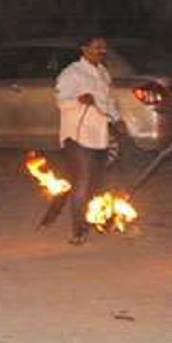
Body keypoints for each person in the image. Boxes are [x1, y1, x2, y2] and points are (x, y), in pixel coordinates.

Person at [53, 35, 127, 245]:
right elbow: (61, 101)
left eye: (104, 48)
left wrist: (117, 119)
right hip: (77, 136)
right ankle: (78, 230)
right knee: (83, 183)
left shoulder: (103, 73)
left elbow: (108, 101)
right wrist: (78, 100)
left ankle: (93, 220)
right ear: (84, 49)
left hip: (99, 135)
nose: (101, 51)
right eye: (97, 47)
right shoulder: (72, 73)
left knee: (95, 183)